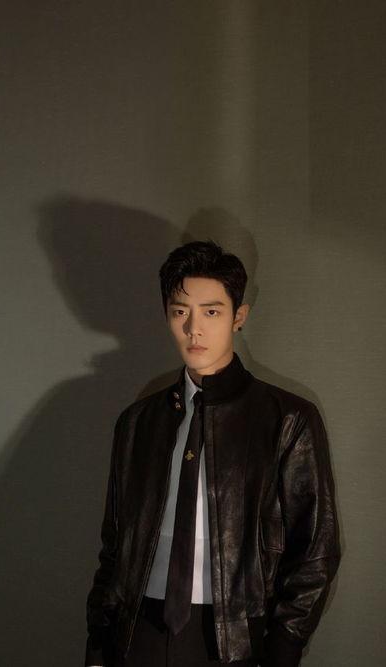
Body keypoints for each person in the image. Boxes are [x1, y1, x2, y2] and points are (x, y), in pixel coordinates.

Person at [84, 240, 341, 667]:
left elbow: (316, 549)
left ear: (239, 316)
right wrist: (97, 646)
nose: (193, 329)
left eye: (211, 312)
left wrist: (283, 648)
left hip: (235, 640)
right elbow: (115, 546)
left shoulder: (287, 419)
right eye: (180, 312)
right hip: (137, 634)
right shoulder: (138, 422)